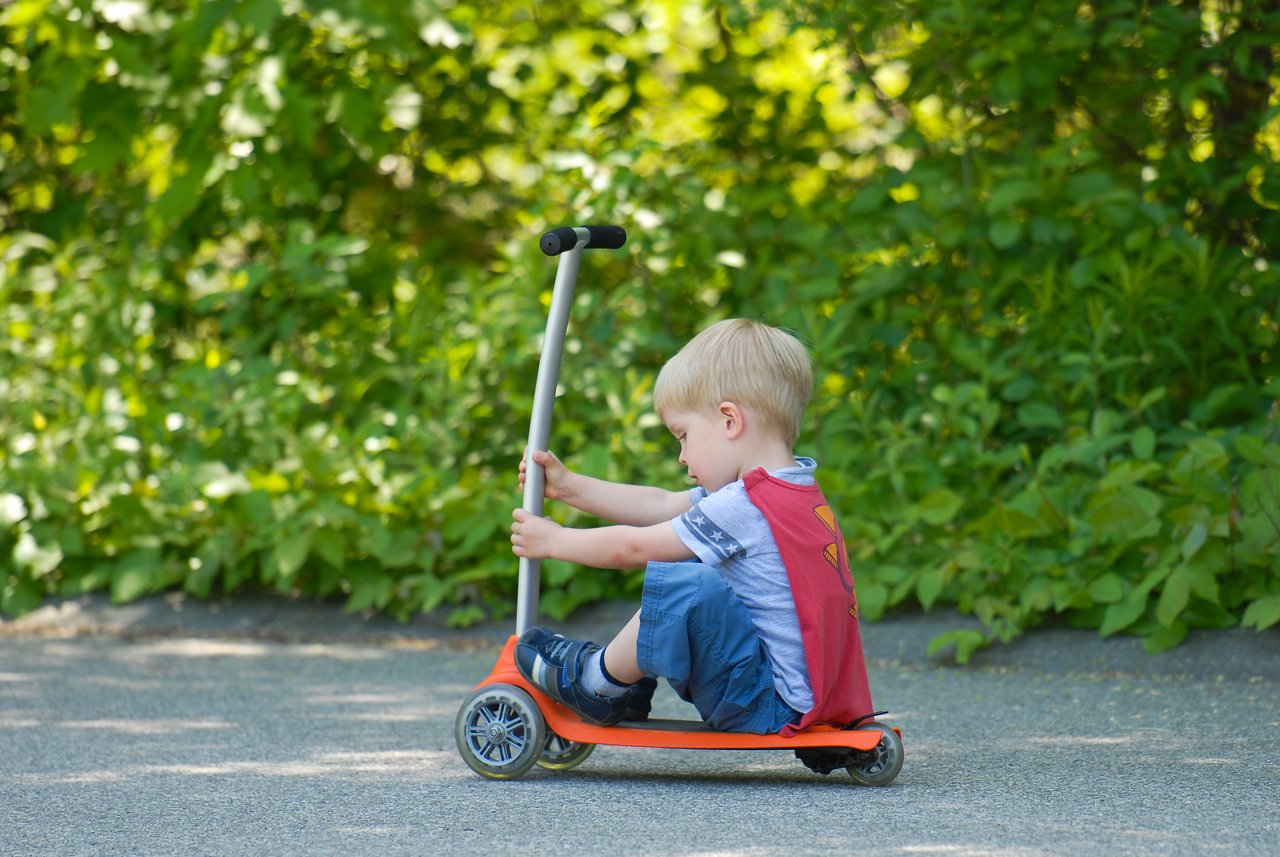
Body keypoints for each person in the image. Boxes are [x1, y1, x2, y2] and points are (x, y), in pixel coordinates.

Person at [510, 318, 873, 734]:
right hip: (799, 696)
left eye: (683, 435)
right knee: (699, 577)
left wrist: (555, 541)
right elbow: (661, 504)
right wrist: (571, 487)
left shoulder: (745, 505)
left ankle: (596, 682)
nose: (682, 456)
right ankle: (626, 682)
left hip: (764, 702)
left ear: (729, 421)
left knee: (691, 586)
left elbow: (634, 548)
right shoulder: (789, 491)